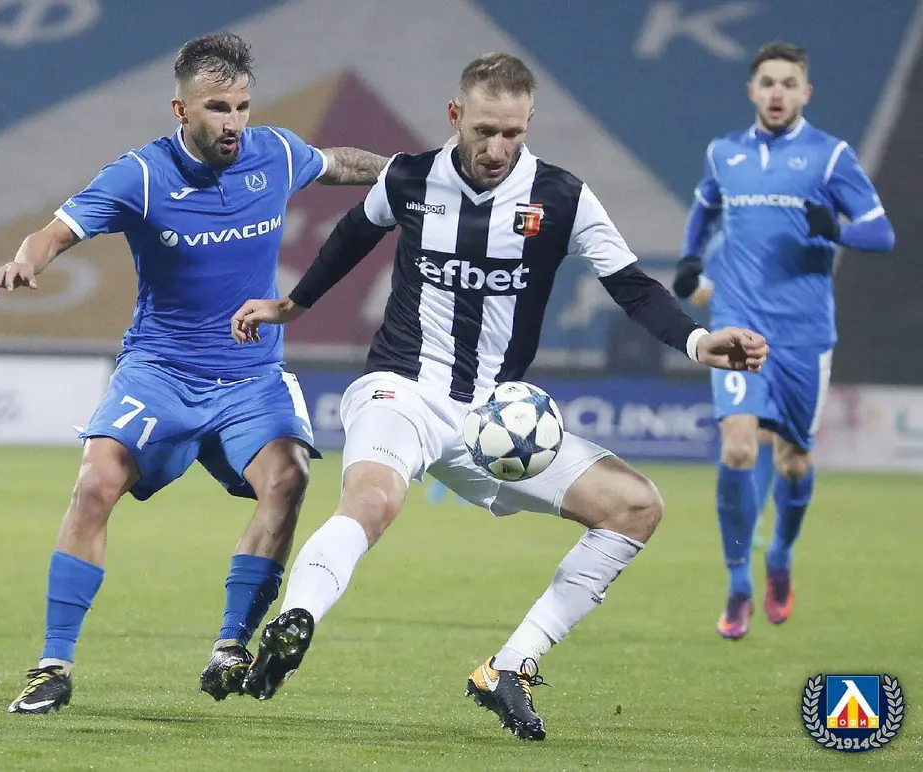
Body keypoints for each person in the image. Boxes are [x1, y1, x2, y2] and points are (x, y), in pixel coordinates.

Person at [230, 53, 767, 741]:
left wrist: (697, 342)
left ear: (529, 122)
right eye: (484, 130)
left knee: (635, 507)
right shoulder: (410, 177)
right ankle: (296, 620)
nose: (497, 148)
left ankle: (510, 667)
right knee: (373, 500)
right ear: (456, 117)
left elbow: (632, 288)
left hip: (498, 424)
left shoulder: (563, 198)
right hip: (403, 390)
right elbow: (355, 233)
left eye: (513, 133)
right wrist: (292, 305)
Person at [0, 32, 389, 715]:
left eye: (242, 107)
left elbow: (341, 163)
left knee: (289, 479)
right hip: (160, 372)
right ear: (182, 110)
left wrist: (413, 170)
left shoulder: (275, 152)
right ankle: (52, 665)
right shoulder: (140, 175)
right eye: (218, 109)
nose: (234, 122)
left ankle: (230, 645)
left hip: (251, 376)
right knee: (95, 483)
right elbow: (55, 231)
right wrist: (28, 261)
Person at [672, 41, 895, 640]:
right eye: (767, 82)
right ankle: (737, 581)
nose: (777, 92)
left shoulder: (830, 157)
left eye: (788, 83)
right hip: (739, 319)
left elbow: (882, 233)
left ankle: (781, 555)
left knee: (794, 462)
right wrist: (691, 259)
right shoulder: (724, 152)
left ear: (805, 94)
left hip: (804, 333)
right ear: (752, 90)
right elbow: (704, 207)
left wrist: (838, 229)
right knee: (739, 449)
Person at [686, 233, 777, 541]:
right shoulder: (726, 242)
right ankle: (743, 523)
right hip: (742, 342)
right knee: (740, 438)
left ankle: (754, 516)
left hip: (775, 340)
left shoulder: (732, 240)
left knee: (768, 435)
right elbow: (702, 294)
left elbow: (701, 296)